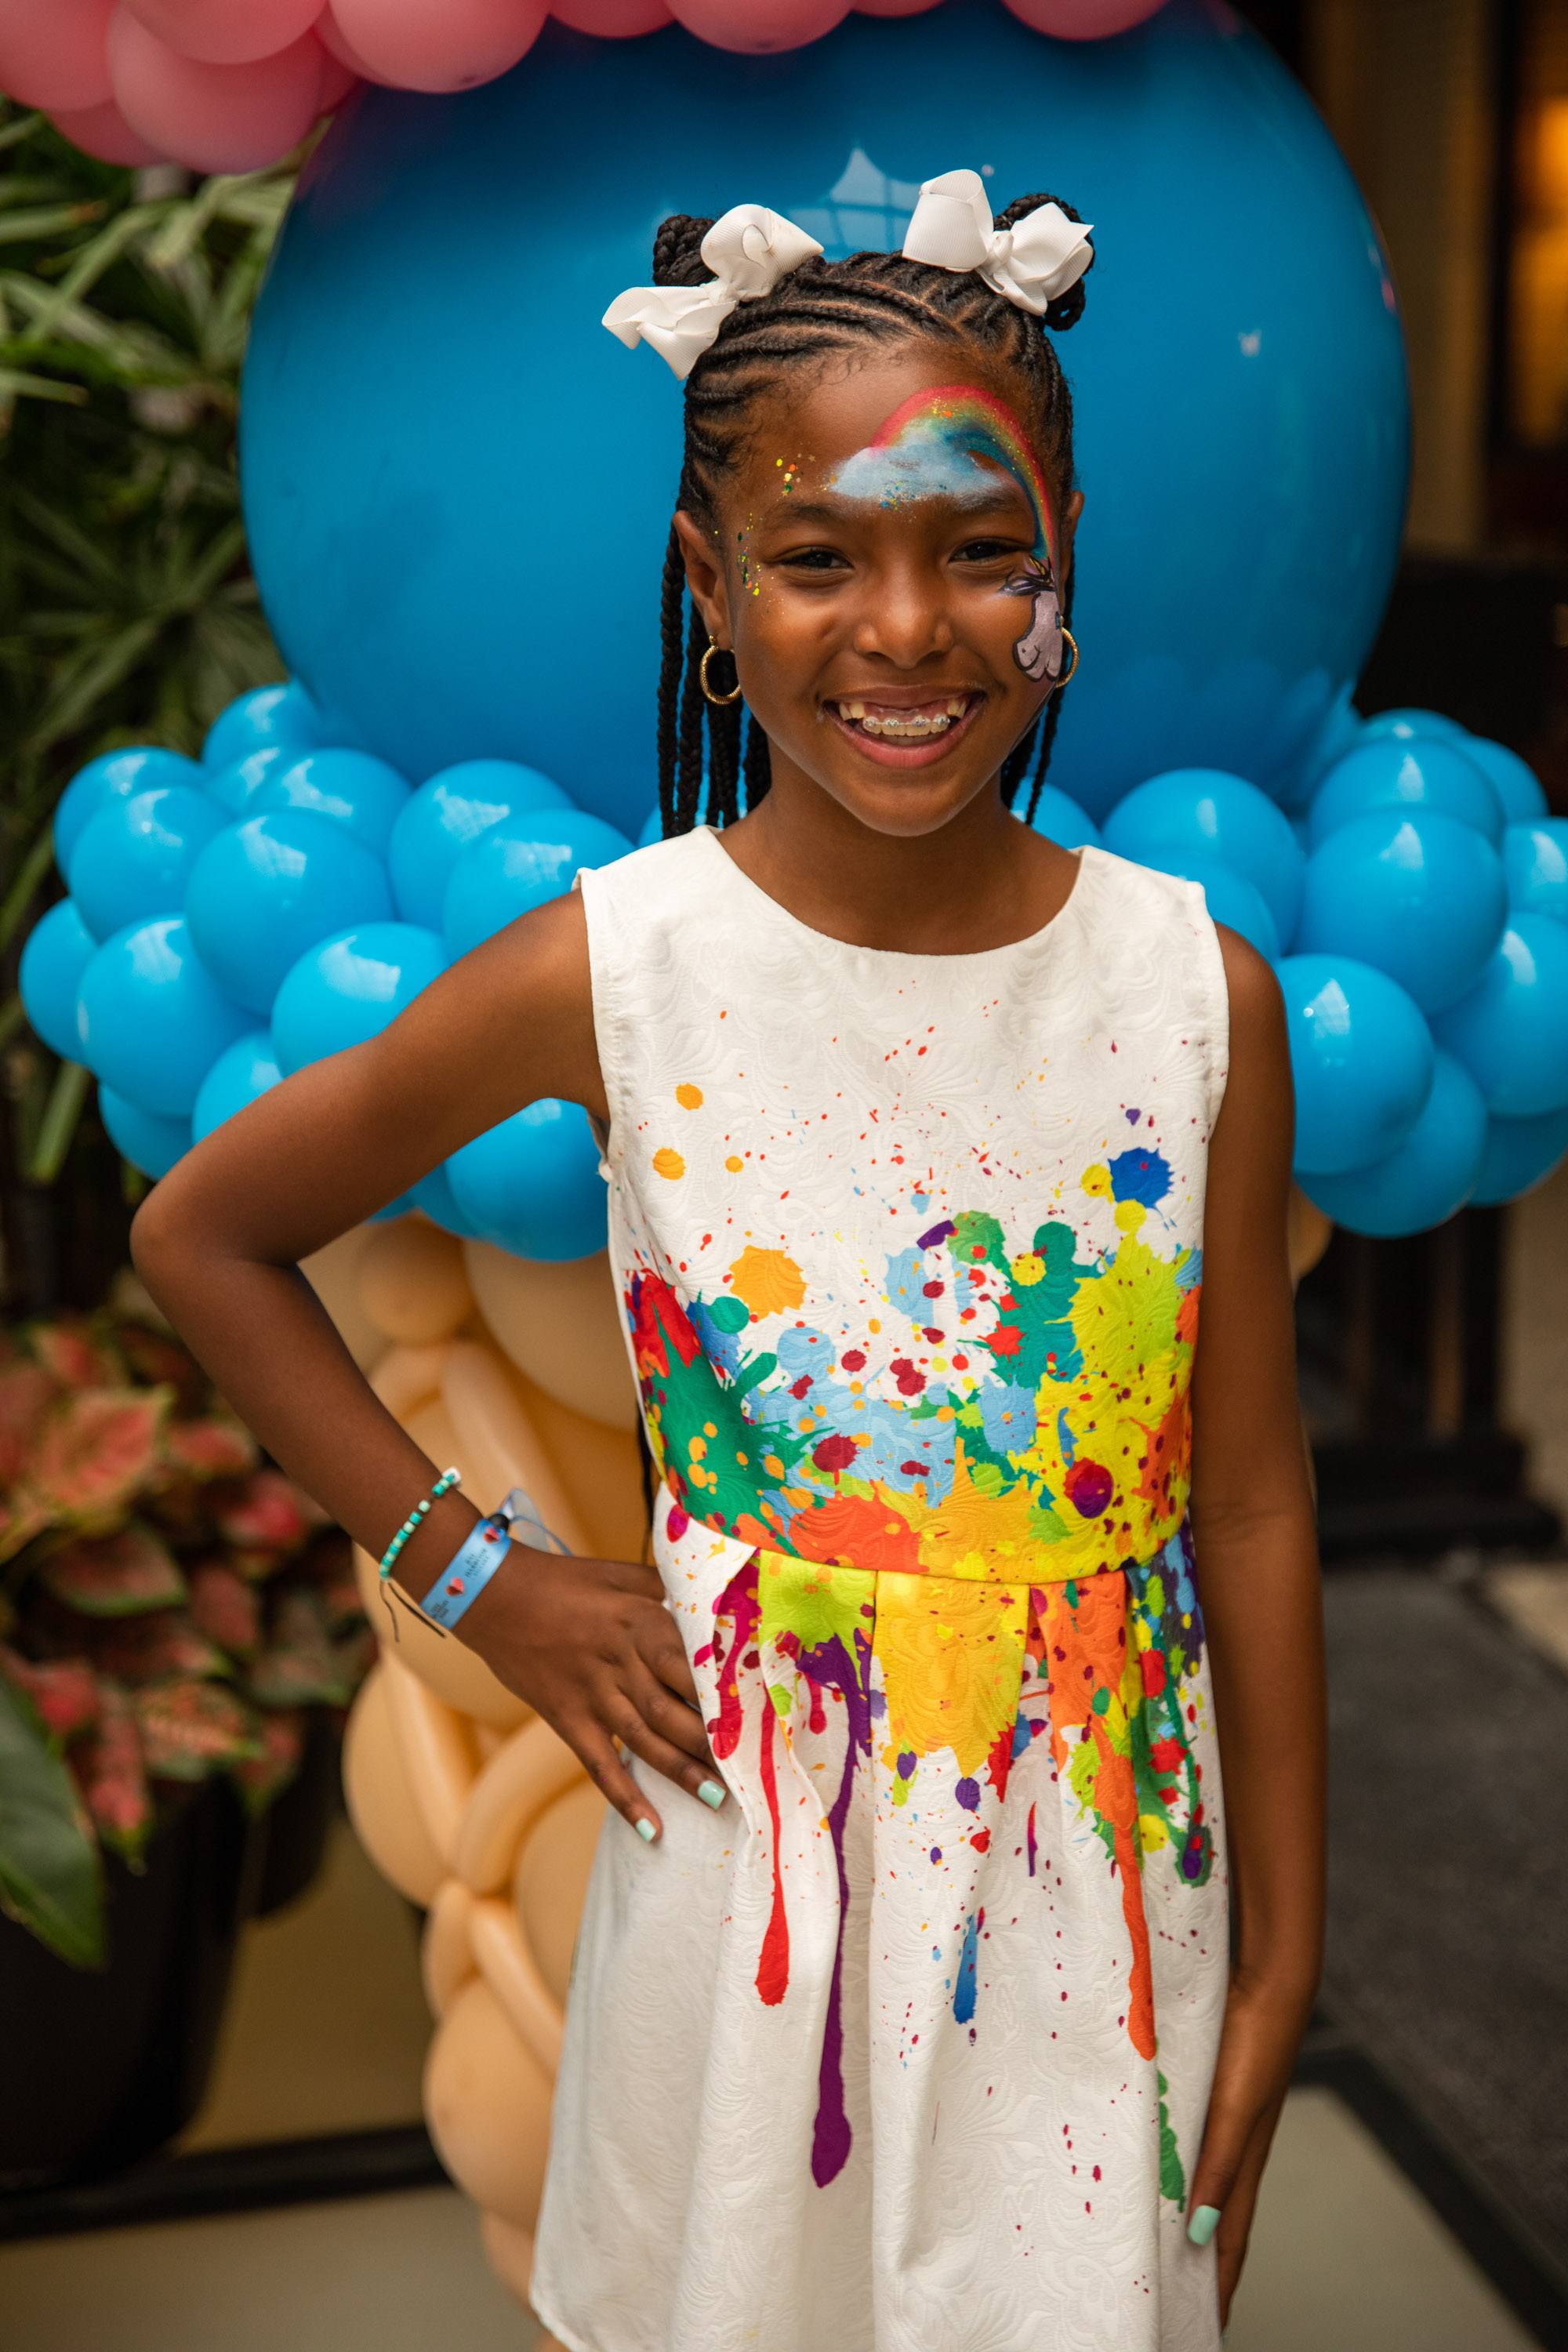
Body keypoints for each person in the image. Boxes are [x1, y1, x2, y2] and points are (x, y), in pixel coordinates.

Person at [131, 167, 1326, 2352]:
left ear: (1066, 577)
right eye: (815, 557)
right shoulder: (620, 968)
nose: (907, 627)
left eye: (986, 552)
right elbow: (204, 1234)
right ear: (711, 591)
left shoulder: (1193, 993)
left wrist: (1282, 1960)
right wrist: (480, 1575)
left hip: (1097, 1899)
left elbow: (1245, 1487)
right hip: (747, 1895)